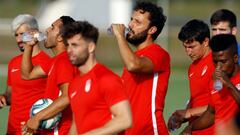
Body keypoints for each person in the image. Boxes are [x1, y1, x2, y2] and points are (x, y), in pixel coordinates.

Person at [61, 21, 132, 134]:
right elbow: (76, 124)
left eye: (75, 45)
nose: (69, 50)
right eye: (68, 45)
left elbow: (125, 120)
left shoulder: (106, 79)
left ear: (91, 47)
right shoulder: (74, 84)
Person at [111, 2, 170, 135]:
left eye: (137, 22)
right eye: (131, 19)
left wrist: (120, 36)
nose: (130, 25)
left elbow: (134, 65)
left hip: (150, 131)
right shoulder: (133, 57)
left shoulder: (159, 53)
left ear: (151, 30)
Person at [21, 16, 76, 135]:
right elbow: (27, 74)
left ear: (61, 37)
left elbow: (67, 96)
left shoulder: (64, 60)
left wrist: (36, 118)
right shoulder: (55, 61)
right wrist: (29, 46)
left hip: (62, 131)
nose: (46, 30)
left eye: (52, 27)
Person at [0, 14, 51, 134]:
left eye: (22, 34)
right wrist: (3, 98)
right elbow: (10, 95)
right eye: (16, 35)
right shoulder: (13, 62)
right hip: (12, 130)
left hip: (34, 130)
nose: (18, 40)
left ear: (36, 33)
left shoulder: (48, 63)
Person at [181, 34, 240, 135]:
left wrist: (229, 85)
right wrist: (191, 127)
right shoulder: (216, 80)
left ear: (235, 58)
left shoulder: (226, 81)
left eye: (223, 61)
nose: (218, 67)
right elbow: (211, 113)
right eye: (215, 62)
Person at [167, 19, 214, 134]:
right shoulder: (192, 67)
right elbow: (196, 98)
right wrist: (182, 117)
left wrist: (188, 113)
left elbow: (220, 105)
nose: (188, 52)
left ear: (206, 42)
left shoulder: (216, 64)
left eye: (192, 47)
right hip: (195, 129)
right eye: (185, 47)